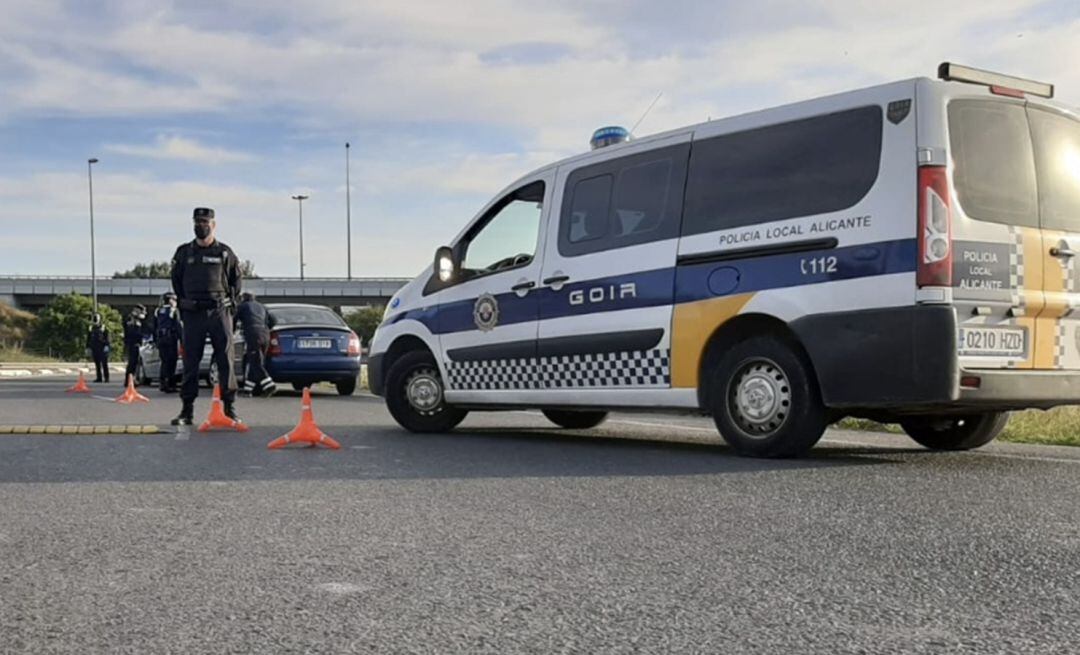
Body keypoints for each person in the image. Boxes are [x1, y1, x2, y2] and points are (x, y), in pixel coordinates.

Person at [169, 207, 243, 426]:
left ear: (213, 225)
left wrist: (230, 303)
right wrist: (184, 303)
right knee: (190, 361)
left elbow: (236, 281)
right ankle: (187, 411)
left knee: (225, 360)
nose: (201, 226)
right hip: (193, 313)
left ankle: (229, 409)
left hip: (219, 311)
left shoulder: (225, 252)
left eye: (205, 222)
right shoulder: (184, 253)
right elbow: (176, 281)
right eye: (197, 222)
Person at [235, 291, 277, 397]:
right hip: (265, 334)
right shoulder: (262, 307)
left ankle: (269, 385)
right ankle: (248, 389)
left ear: (243, 298)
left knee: (255, 362)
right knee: (256, 361)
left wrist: (231, 331)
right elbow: (273, 321)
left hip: (253, 335)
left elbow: (233, 319)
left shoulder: (243, 306)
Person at [151, 292, 183, 393]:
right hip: (170, 338)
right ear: (171, 300)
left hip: (161, 338)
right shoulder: (173, 311)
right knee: (172, 361)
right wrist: (182, 340)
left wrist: (155, 340)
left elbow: (154, 327)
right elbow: (178, 326)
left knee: (164, 361)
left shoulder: (158, 311)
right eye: (174, 300)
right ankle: (170, 384)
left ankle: (163, 383)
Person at [123, 305, 148, 385]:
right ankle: (129, 380)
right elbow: (131, 332)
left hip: (136, 343)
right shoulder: (131, 319)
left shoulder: (137, 320)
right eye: (142, 312)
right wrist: (140, 336)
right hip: (133, 343)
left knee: (135, 363)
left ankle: (132, 379)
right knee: (132, 363)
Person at [86, 313, 111, 383]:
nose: (95, 320)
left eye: (96, 318)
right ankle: (99, 377)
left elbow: (107, 337)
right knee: (97, 363)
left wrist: (107, 345)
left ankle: (106, 378)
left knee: (104, 363)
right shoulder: (91, 328)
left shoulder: (103, 327)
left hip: (102, 347)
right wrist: (87, 347)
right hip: (94, 347)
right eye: (94, 318)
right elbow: (88, 338)